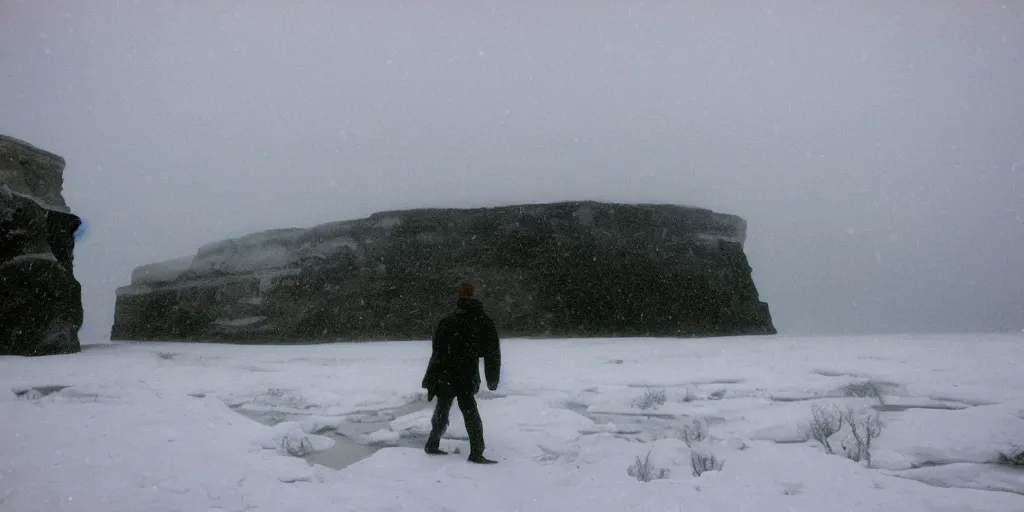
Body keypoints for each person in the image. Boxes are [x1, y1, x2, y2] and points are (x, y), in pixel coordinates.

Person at [421, 282, 502, 464]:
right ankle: (476, 452)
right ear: (474, 295)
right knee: (469, 411)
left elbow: (437, 352)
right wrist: (492, 377)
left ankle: (432, 444)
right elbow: (492, 352)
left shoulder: (448, 321)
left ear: (459, 297)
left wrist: (431, 377)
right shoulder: (482, 321)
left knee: (443, 407)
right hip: (465, 375)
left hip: (445, 374)